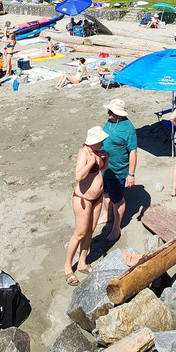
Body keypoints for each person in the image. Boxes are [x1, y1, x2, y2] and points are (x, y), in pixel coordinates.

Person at [65, 127, 109, 285]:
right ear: (94, 141)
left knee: (90, 230)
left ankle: (82, 262)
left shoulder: (97, 151)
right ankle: (68, 267)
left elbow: (101, 169)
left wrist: (105, 158)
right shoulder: (84, 153)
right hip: (83, 199)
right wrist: (91, 162)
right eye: (101, 141)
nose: (103, 142)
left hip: (96, 198)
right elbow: (78, 175)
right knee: (79, 233)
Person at [98, 99, 137, 243]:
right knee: (105, 193)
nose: (108, 113)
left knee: (117, 200)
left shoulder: (128, 129)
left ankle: (116, 227)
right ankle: (106, 216)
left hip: (118, 170)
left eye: (111, 111)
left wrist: (131, 174)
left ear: (119, 114)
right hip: (105, 168)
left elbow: (133, 152)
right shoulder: (110, 122)